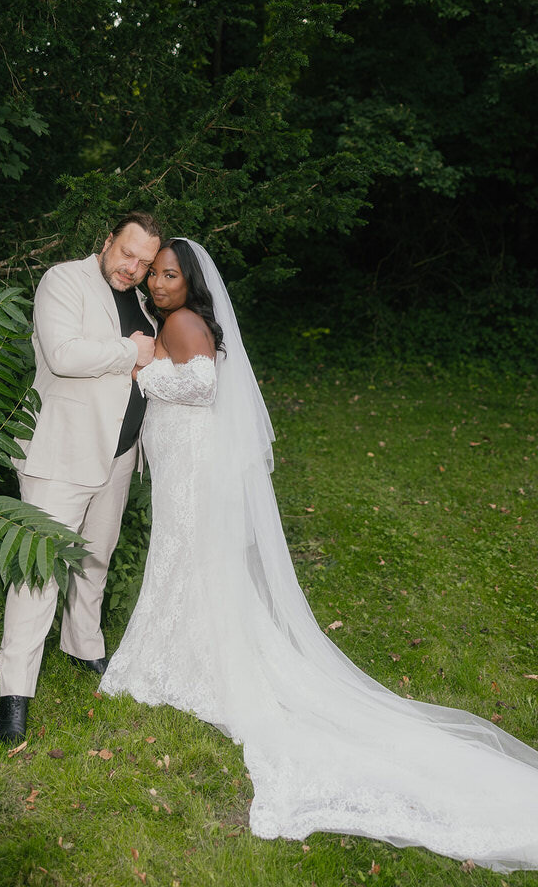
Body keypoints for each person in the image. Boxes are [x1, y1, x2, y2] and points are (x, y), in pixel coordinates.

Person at [101, 239, 538, 872]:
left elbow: (200, 383)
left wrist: (143, 371)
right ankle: (182, 650)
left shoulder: (180, 321)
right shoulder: (176, 319)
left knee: (189, 558)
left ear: (191, 283)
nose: (161, 284)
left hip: (193, 470)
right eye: (157, 275)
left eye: (171, 275)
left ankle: (187, 659)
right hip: (184, 465)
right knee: (188, 562)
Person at [0, 213, 162, 745]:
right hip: (62, 453)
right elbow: (64, 356)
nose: (132, 268)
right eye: (126, 253)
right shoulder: (63, 280)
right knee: (38, 572)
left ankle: (83, 646)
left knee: (95, 557)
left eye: (143, 262)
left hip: (117, 453)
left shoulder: (141, 302)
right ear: (108, 240)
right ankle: (14, 695)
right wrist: (131, 352)